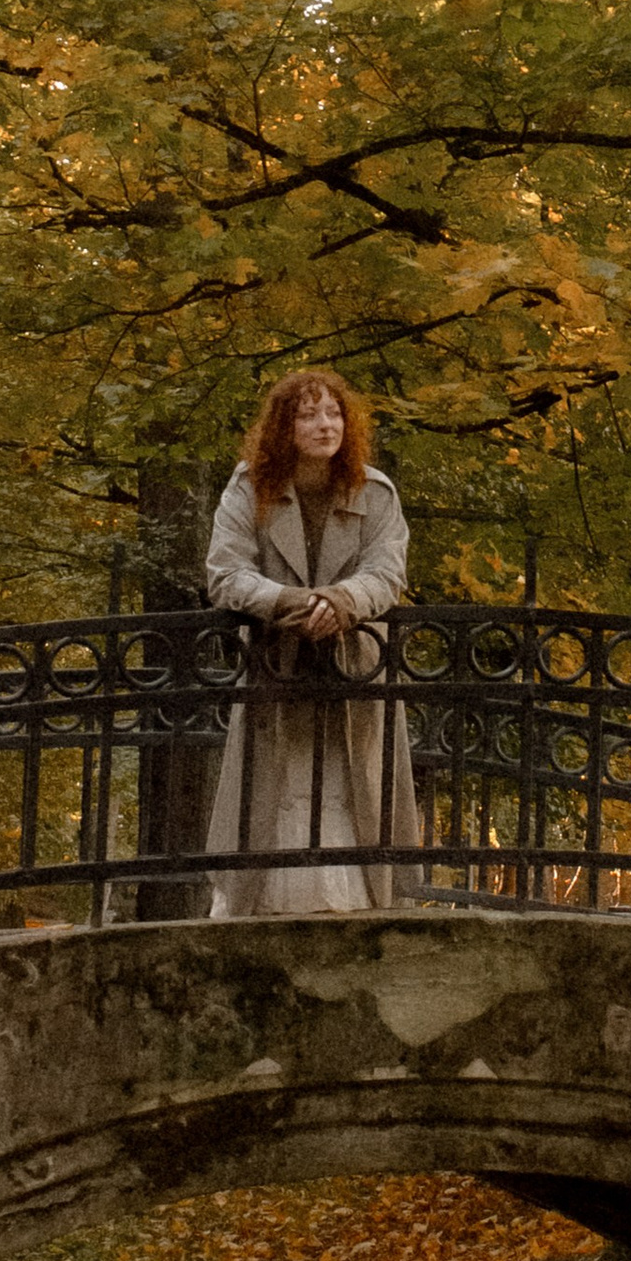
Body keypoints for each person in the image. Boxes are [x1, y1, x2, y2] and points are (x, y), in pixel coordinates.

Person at [203, 368, 418, 914]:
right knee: (271, 789)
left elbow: (386, 572)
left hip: (355, 666)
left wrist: (341, 603)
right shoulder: (248, 489)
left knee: (360, 792)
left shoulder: (374, 492)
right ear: (284, 426)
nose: (325, 425)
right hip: (278, 666)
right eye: (308, 415)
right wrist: (293, 604)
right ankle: (263, 907)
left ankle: (367, 908)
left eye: (334, 413)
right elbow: (226, 573)